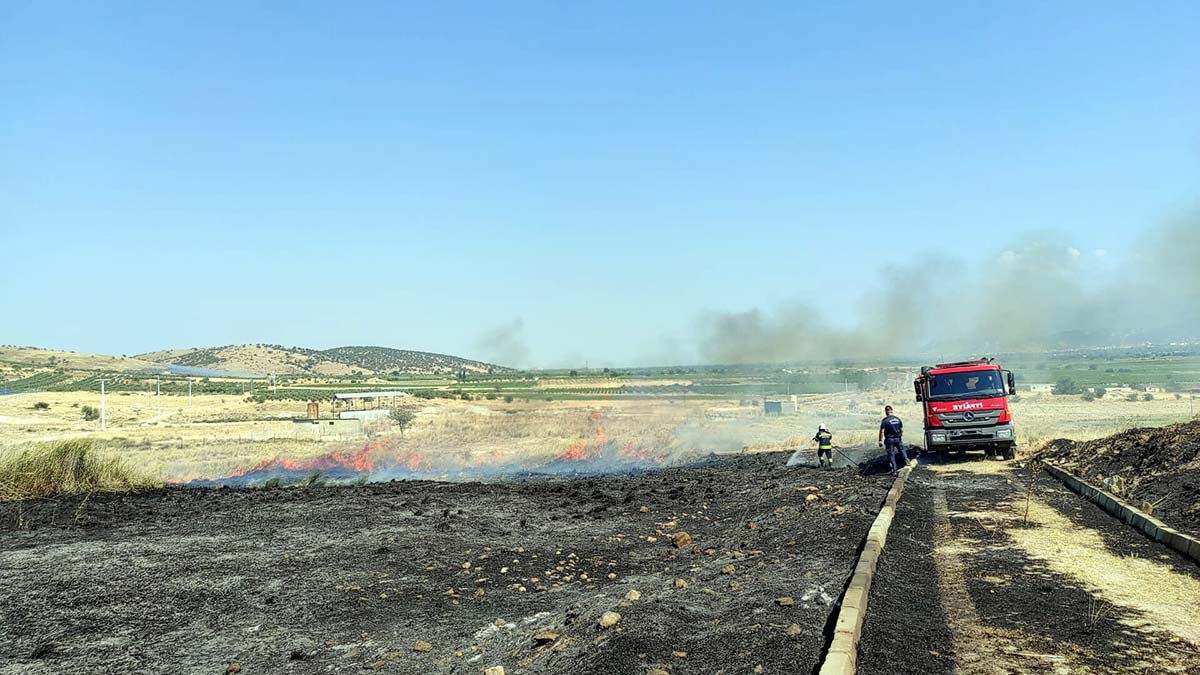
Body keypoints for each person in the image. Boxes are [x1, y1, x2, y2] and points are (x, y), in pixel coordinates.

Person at [878, 405, 910, 475]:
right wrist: (900, 436)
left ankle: (894, 470)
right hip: (898, 438)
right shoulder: (898, 419)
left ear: (886, 411)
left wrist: (880, 440)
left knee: (891, 454)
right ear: (892, 410)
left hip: (889, 440)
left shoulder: (885, 420)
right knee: (902, 450)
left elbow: (882, 431)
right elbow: (901, 430)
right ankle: (907, 462)